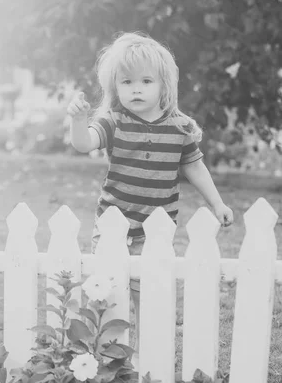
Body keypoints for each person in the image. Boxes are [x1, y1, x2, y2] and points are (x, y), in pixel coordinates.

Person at [65, 31, 233, 355]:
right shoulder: (113, 122)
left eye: (146, 81)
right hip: (113, 228)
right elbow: (83, 143)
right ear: (116, 87)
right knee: (110, 296)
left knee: (150, 296)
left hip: (155, 233)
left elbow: (195, 167)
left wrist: (218, 203)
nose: (137, 88)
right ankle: (107, 358)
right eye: (127, 83)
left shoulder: (179, 127)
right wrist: (77, 120)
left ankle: (147, 359)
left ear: (164, 85)